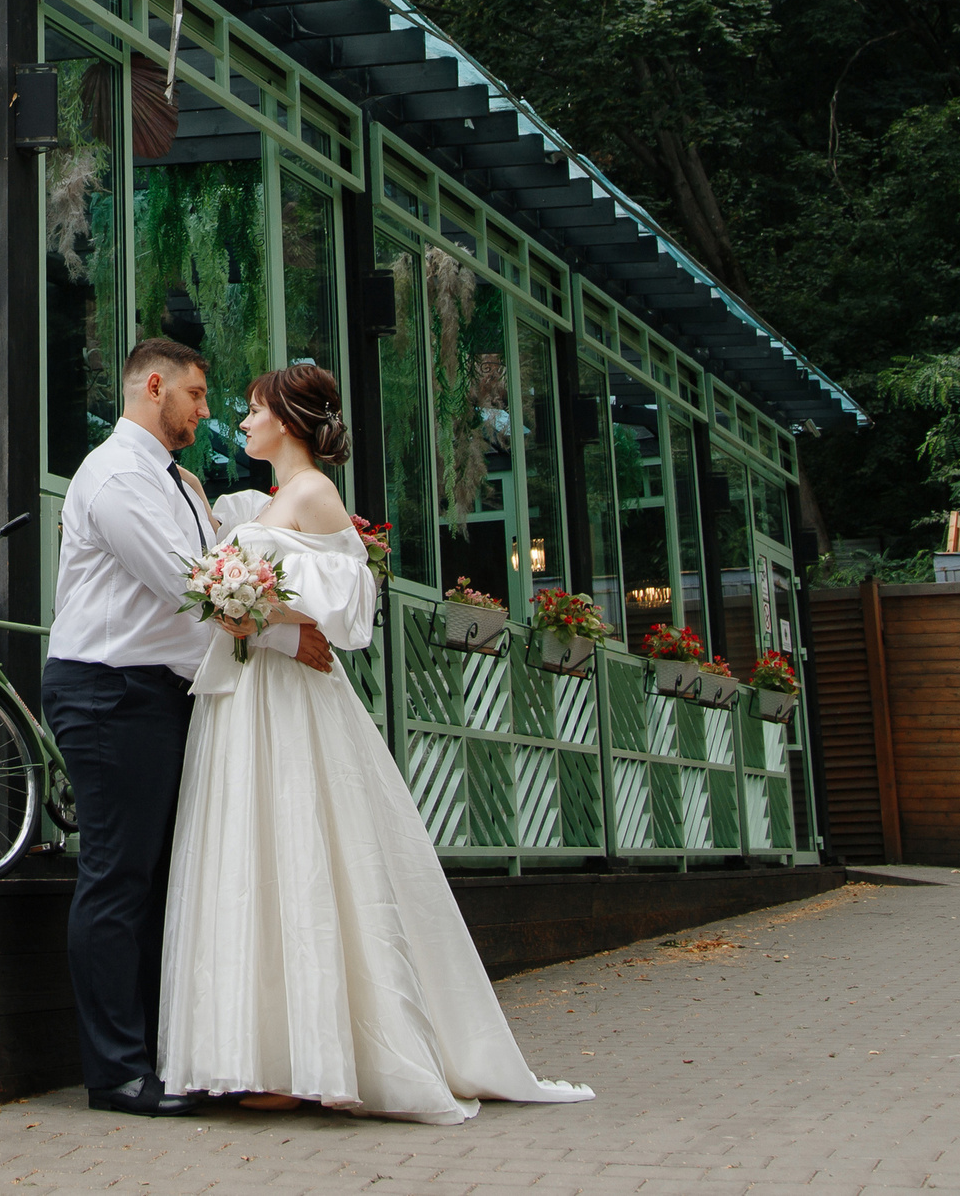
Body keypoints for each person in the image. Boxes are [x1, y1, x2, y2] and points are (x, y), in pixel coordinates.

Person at [159, 363, 596, 1124]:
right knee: (247, 858)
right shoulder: (263, 501)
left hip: (292, 702)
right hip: (246, 698)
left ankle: (314, 1055)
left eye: (255, 409)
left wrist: (261, 618)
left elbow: (350, 608)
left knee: (300, 855)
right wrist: (241, 614)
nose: (246, 419)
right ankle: (257, 1049)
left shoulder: (315, 494)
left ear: (289, 420)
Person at [42, 337, 334, 1117]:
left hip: (156, 693)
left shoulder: (173, 479)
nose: (207, 412)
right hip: (109, 692)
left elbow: (218, 557)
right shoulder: (115, 477)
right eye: (199, 396)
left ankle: (157, 1058)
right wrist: (285, 635)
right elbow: (188, 586)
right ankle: (117, 1074)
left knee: (153, 879)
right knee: (116, 877)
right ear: (157, 385)